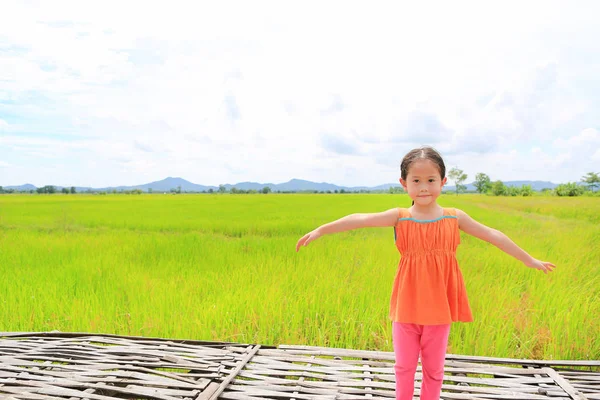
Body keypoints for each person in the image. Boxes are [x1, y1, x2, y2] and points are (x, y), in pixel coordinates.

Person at [295, 145, 556, 400]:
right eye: (416, 180)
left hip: (439, 310)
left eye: (431, 180)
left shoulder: (455, 218)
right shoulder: (400, 217)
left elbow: (492, 235)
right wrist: (321, 230)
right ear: (403, 183)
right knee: (404, 367)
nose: (423, 187)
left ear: (443, 181)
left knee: (434, 370)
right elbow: (359, 218)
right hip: (406, 307)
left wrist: (528, 259)